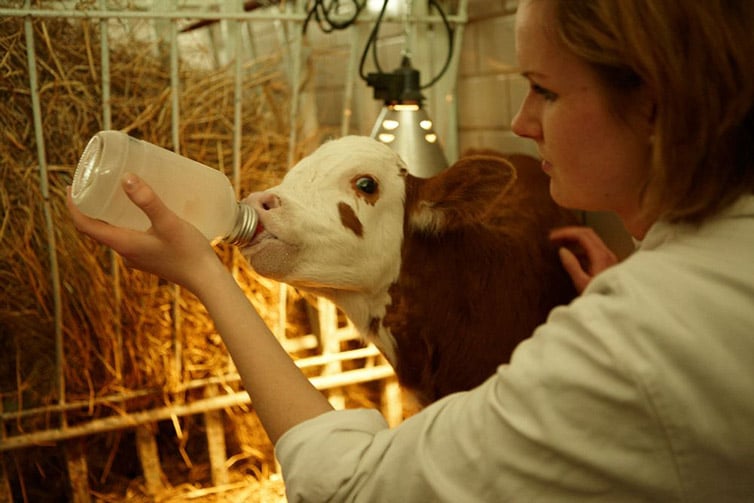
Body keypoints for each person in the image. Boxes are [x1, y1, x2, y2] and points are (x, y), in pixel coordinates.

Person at [68, 0, 754, 500]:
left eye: (544, 89)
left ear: (654, 102)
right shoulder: (698, 271)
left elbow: (349, 488)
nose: (521, 120)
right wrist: (637, 290)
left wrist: (203, 273)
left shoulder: (638, 340)